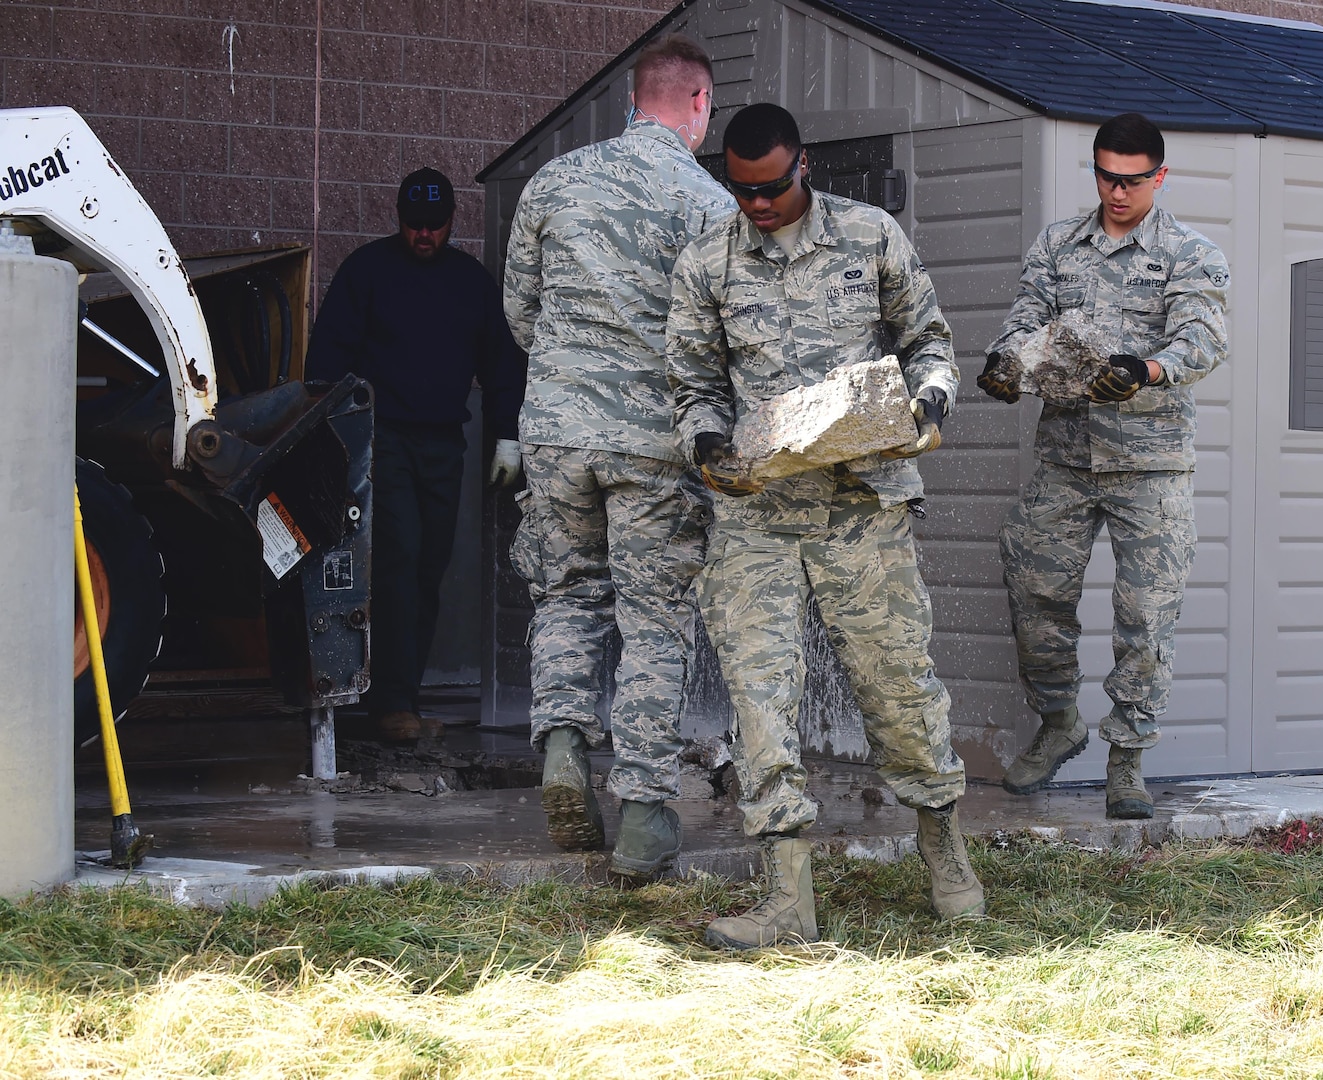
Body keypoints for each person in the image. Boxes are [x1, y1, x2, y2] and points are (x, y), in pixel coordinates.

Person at [666, 102, 985, 949]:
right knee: (761, 702)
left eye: (770, 188)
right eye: (740, 191)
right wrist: (702, 440)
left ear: (802, 166)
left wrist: (928, 401)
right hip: (757, 516)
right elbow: (692, 381)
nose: (758, 206)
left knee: (899, 689)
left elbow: (931, 340)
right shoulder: (708, 260)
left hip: (860, 509)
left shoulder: (870, 235)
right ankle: (786, 897)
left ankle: (945, 854)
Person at [502, 34, 736, 876]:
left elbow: (521, 313)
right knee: (653, 623)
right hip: (653, 445)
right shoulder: (710, 206)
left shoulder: (554, 180)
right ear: (700, 105)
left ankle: (564, 742)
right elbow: (723, 340)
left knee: (566, 594)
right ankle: (642, 813)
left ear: (633, 99)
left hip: (557, 432)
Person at [978, 112, 1229, 818]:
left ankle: (1128, 759)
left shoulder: (1189, 252)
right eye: (1106, 177)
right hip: (1067, 457)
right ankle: (1059, 721)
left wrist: (1145, 370)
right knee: (1033, 588)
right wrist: (1005, 362)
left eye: (1133, 180)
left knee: (1146, 616)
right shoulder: (1060, 244)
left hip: (1150, 466)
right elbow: (1024, 316)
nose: (1118, 193)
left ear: (1159, 175)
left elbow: (1202, 341)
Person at [307, 167, 526, 742]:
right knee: (398, 562)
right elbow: (327, 358)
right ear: (397, 219)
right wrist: (333, 436)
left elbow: (503, 366)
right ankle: (391, 703)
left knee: (428, 566)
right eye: (413, 225)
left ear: (452, 221)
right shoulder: (368, 272)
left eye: (435, 225)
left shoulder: (469, 283)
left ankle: (401, 693)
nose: (423, 235)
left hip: (442, 443)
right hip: (381, 440)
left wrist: (507, 434)